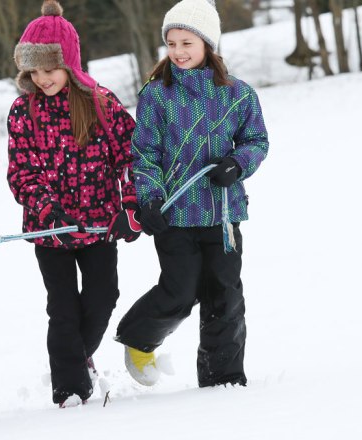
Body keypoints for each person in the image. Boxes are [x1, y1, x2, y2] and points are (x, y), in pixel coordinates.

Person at [115, 0, 269, 388]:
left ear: (208, 44)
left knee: (225, 295)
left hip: (221, 213)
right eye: (172, 43)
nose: (179, 52)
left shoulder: (237, 94)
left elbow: (256, 140)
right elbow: (144, 152)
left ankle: (224, 379)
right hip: (175, 214)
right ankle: (139, 336)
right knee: (181, 289)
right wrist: (148, 198)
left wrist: (237, 164)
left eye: (187, 42)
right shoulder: (156, 95)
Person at [7, 0, 141, 407]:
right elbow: (21, 173)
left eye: (49, 69)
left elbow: (132, 156)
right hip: (51, 232)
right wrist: (49, 211)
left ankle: (80, 356)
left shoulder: (101, 103)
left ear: (70, 63)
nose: (41, 79)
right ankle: (69, 388)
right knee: (62, 309)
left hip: (101, 225)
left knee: (103, 297)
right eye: (33, 70)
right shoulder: (22, 111)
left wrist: (130, 206)